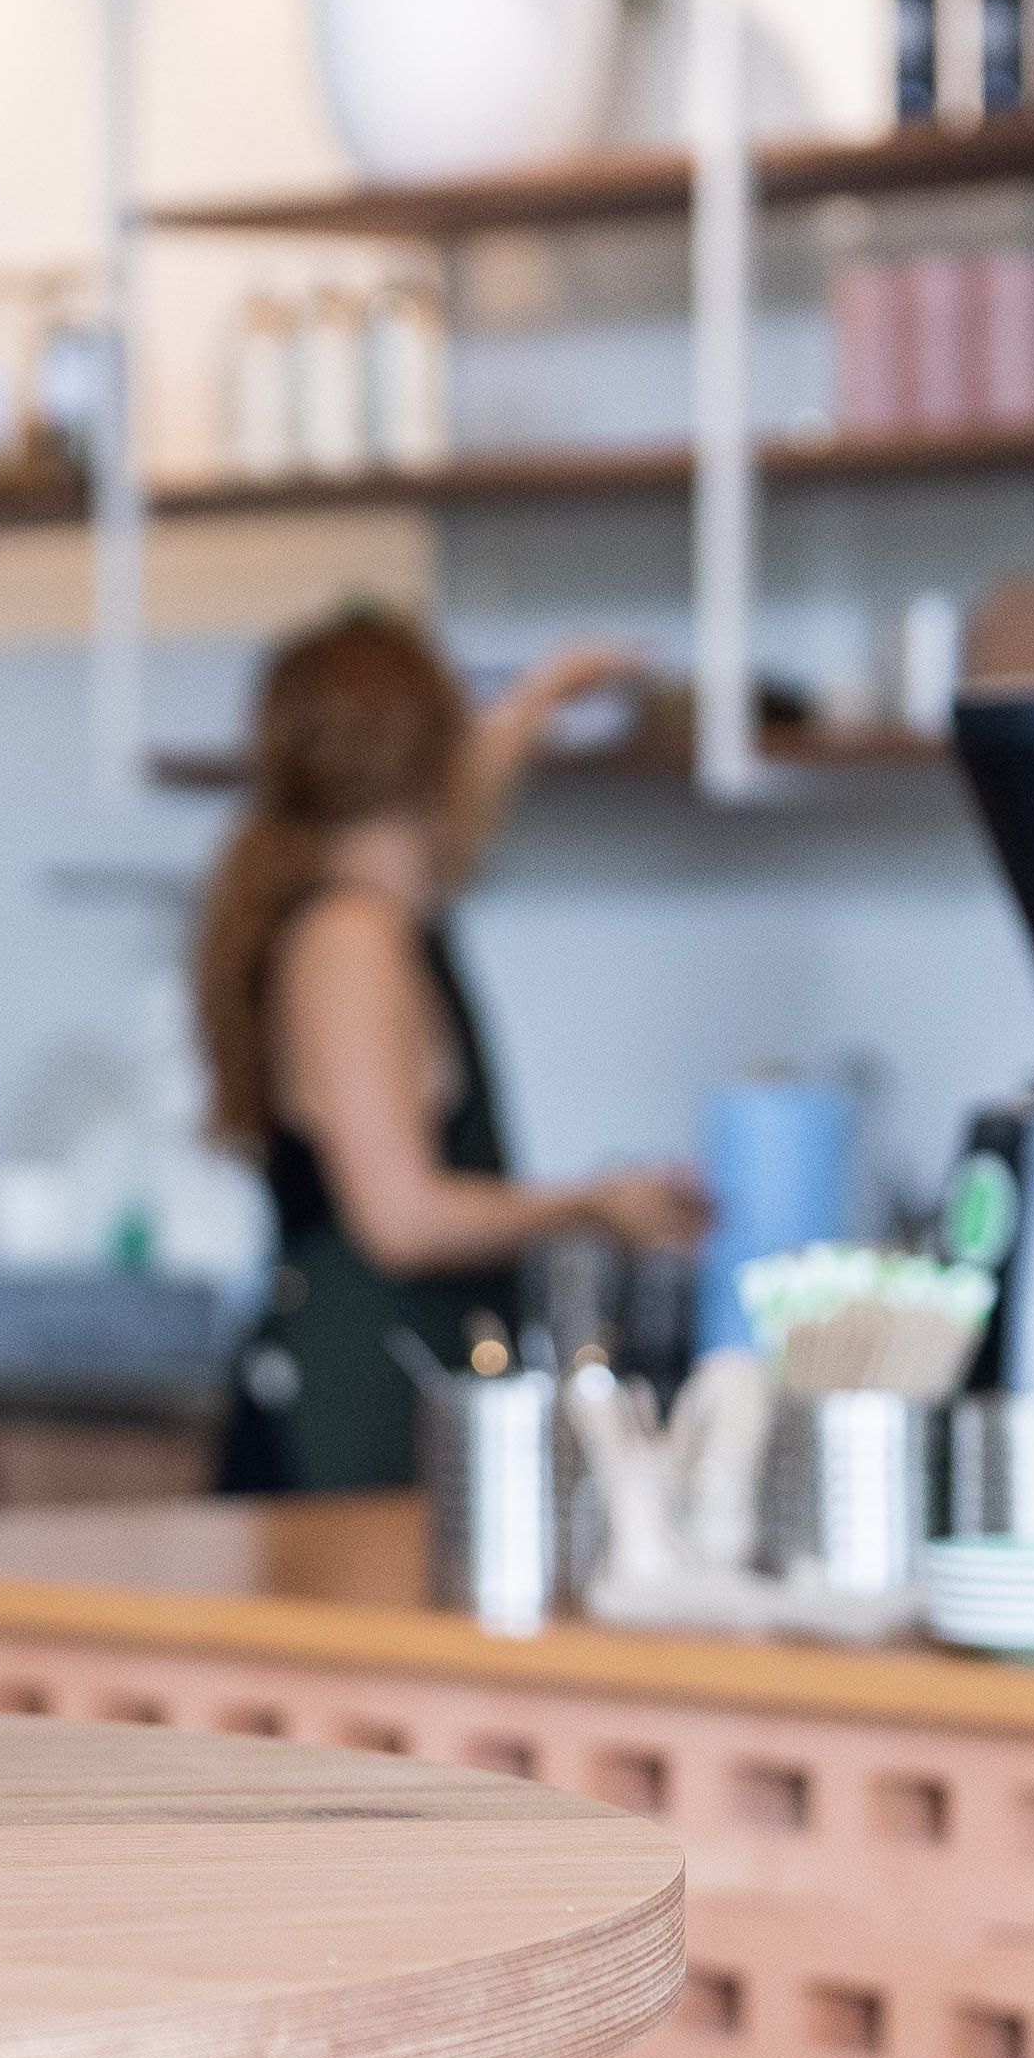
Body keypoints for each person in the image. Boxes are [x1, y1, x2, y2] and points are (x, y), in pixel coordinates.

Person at [194, 606, 706, 1493]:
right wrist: (596, 1205)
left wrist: (542, 693)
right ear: (424, 750)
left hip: (388, 1382)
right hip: (352, 1406)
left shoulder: (388, 908)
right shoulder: (351, 940)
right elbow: (401, 1218)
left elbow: (471, 793)